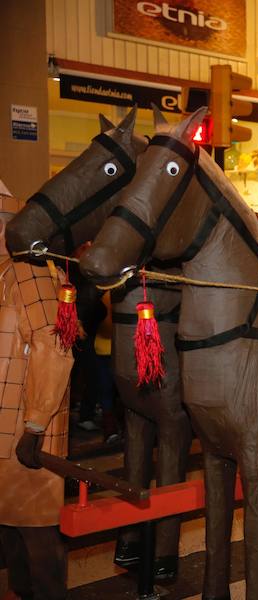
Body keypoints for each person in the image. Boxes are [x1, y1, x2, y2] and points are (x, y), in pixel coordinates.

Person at [0, 181, 75, 600]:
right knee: (13, 534)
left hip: (23, 431)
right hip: (7, 432)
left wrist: (35, 424)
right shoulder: (5, 271)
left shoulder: (27, 271)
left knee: (38, 538)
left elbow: (54, 347)